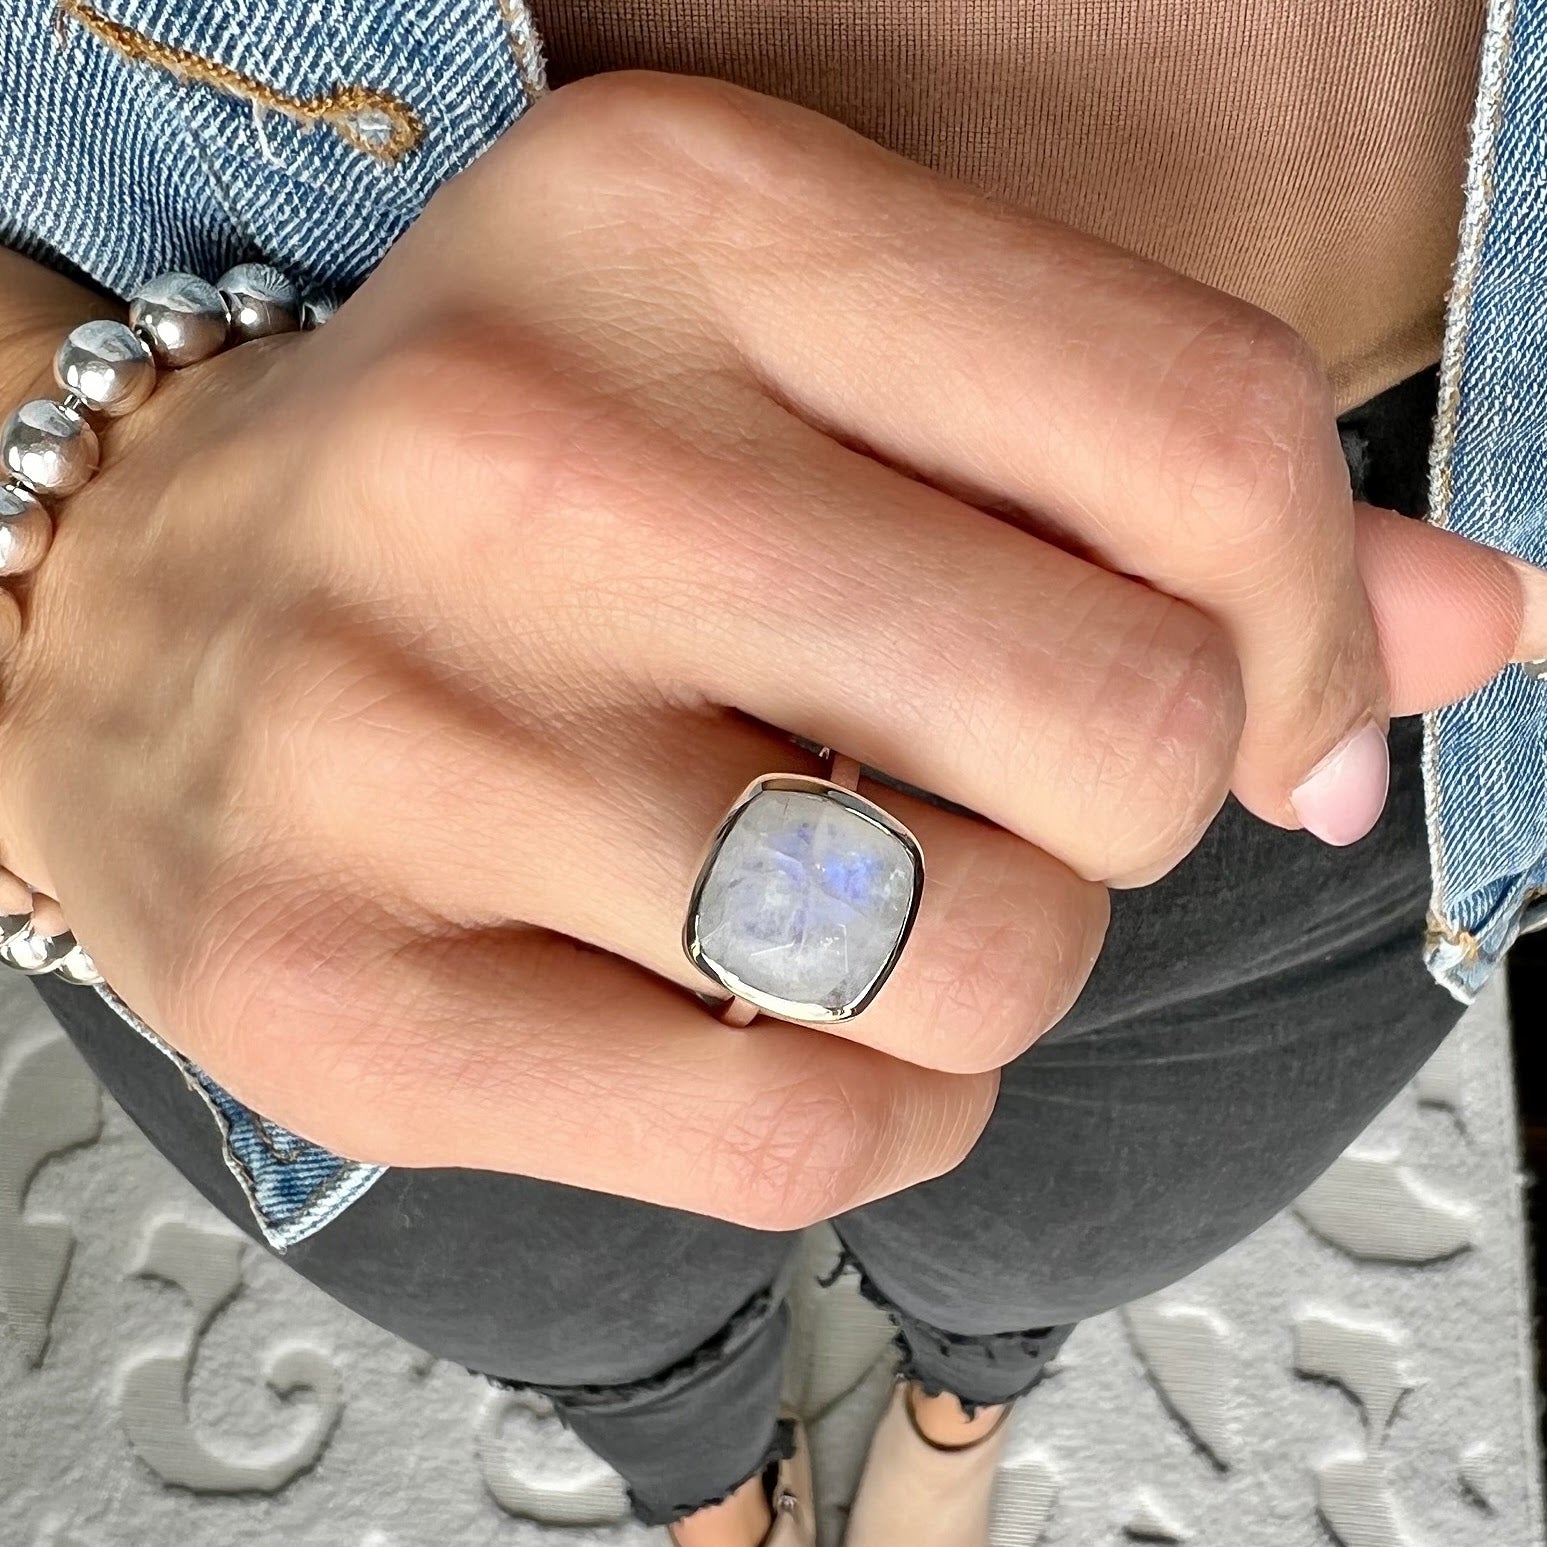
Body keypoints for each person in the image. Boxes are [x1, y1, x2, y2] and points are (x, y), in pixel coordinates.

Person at [3, 2, 1544, 1543]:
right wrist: (64, 561)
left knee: (1056, 1251)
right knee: (594, 1316)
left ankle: (960, 1406)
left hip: (1340, 630)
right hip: (303, 616)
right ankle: (711, 1487)